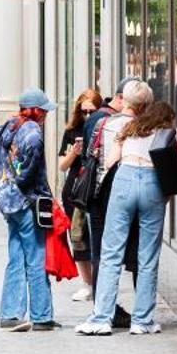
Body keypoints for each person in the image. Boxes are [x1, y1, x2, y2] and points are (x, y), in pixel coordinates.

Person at [76, 83, 173, 336]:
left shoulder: (117, 125)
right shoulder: (162, 128)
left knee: (110, 254)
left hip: (125, 179)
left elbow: (108, 162)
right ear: (147, 104)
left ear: (125, 100)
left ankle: (101, 319)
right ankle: (142, 320)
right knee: (147, 256)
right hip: (152, 183)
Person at [0, 90, 57, 332]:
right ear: (36, 111)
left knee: (16, 256)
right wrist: (47, 198)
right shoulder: (32, 133)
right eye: (44, 110)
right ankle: (41, 315)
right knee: (36, 256)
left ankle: (11, 313)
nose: (47, 115)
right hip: (27, 201)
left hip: (8, 200)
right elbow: (28, 174)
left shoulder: (8, 128)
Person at [56, 87, 106, 301]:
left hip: (97, 190)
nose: (87, 116)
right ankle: (87, 283)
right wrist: (74, 153)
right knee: (78, 238)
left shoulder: (105, 128)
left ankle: (99, 283)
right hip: (76, 190)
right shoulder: (72, 131)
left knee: (98, 238)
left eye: (91, 111)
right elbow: (61, 166)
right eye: (83, 111)